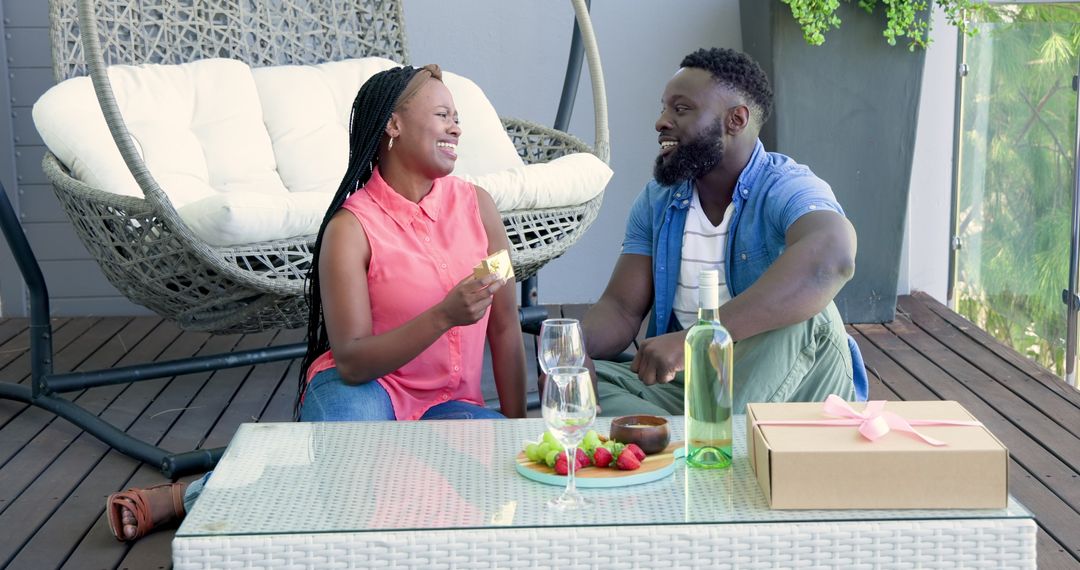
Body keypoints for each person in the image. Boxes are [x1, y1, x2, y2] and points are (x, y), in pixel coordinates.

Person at [105, 64, 528, 541]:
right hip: (366, 391)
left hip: (447, 405)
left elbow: (504, 326)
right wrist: (443, 316)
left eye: (457, 116)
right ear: (393, 123)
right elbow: (351, 361)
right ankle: (191, 498)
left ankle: (233, 477)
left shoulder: (480, 210)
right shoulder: (350, 229)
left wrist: (520, 441)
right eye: (442, 114)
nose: (457, 126)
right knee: (341, 471)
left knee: (498, 483)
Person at [582, 47, 858, 416]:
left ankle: (691, 440)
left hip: (789, 383)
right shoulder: (659, 199)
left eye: (680, 109)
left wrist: (694, 340)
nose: (661, 121)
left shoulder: (784, 186)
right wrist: (571, 351)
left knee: (810, 310)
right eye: (664, 108)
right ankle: (687, 437)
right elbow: (620, 309)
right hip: (693, 382)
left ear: (736, 120)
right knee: (591, 380)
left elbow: (833, 256)